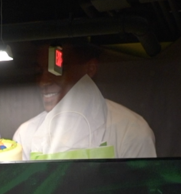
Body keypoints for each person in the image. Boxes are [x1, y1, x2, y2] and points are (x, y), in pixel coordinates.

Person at [13, 43, 156, 160]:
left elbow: (143, 192)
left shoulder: (130, 131)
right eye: (39, 71)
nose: (43, 82)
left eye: (57, 70)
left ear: (90, 69)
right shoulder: (25, 135)